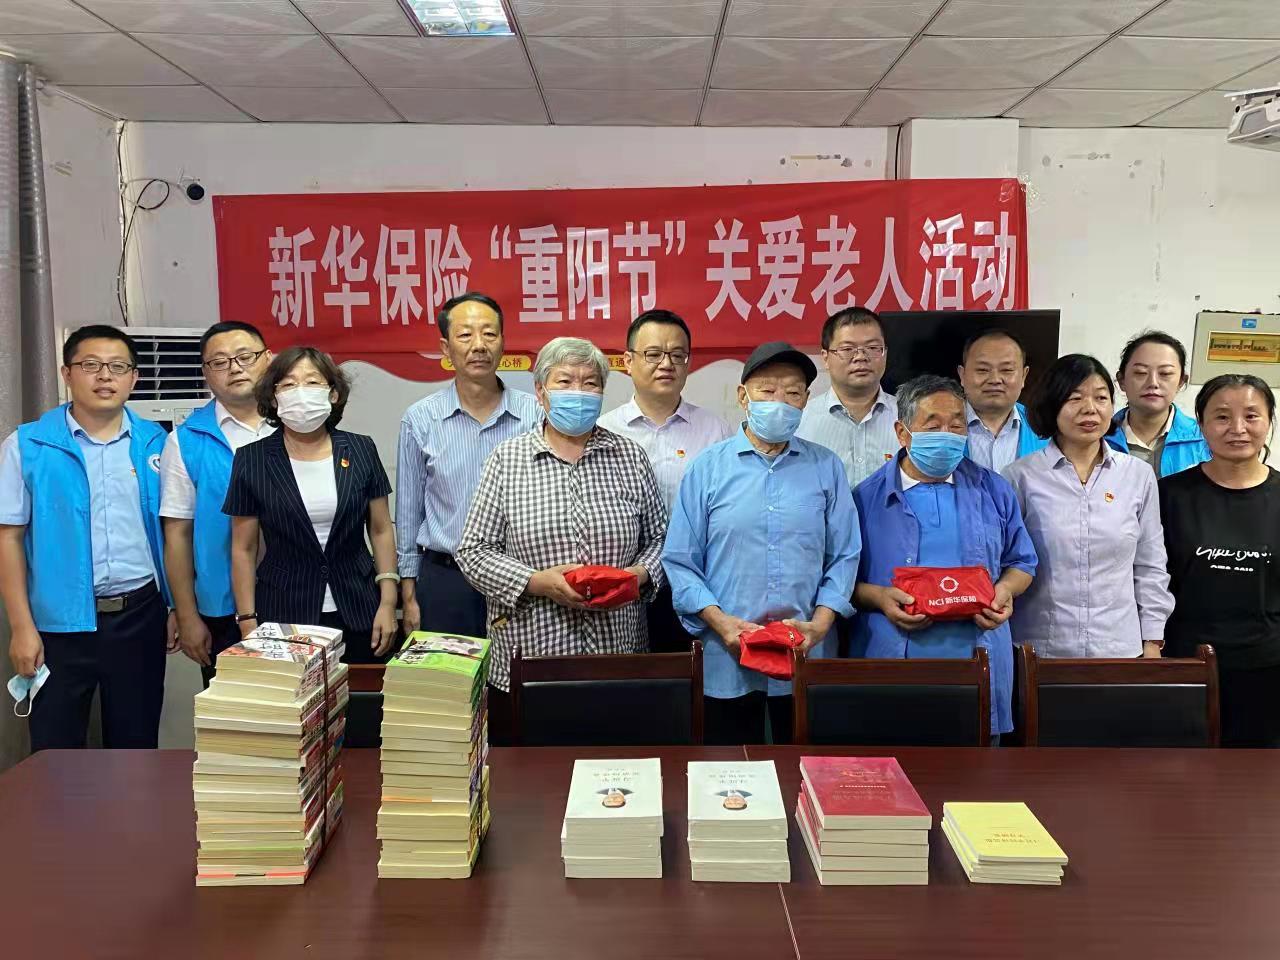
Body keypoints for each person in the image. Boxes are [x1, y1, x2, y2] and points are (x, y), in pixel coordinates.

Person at [456, 337, 667, 743]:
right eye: (565, 381)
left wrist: (637, 576)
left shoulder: (630, 457)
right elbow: (473, 551)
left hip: (618, 654)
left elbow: (660, 539)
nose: (578, 392)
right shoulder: (507, 460)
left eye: (590, 383)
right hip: (530, 656)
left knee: (615, 770)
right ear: (541, 391)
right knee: (532, 776)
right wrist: (536, 582)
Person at [663, 342, 860, 746]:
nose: (780, 402)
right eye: (767, 391)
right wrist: (720, 622)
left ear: (806, 400)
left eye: (792, 392)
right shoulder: (708, 468)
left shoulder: (826, 467)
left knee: (805, 770)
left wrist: (821, 625)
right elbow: (680, 561)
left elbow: (844, 555)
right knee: (729, 774)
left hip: (807, 653)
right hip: (727, 659)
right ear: (743, 396)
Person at [0, 325, 175, 750]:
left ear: (134, 378)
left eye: (118, 367)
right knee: (55, 751)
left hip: (139, 616)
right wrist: (21, 628)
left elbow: (172, 533)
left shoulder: (158, 441)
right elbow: (9, 539)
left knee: (136, 747)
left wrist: (173, 607)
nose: (105, 376)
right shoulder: (28, 444)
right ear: (66, 373)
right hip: (57, 624)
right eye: (91, 365)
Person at [852, 374, 1037, 743]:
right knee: (894, 765)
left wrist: (1005, 592)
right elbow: (841, 581)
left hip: (979, 655)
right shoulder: (865, 498)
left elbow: (1023, 562)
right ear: (902, 433)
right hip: (892, 658)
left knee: (980, 771)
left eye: (956, 425)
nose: (947, 435)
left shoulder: (994, 490)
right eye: (933, 425)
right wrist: (880, 597)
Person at [223, 346, 398, 664]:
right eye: (289, 384)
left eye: (312, 382)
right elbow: (243, 548)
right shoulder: (251, 460)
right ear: (274, 397)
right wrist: (247, 619)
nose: (301, 392)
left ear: (333, 394)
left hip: (360, 608)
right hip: (284, 612)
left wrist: (388, 601)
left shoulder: (361, 449)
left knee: (363, 693)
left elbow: (381, 529)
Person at [1003, 355, 1172, 659]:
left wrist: (1152, 638)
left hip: (1119, 648)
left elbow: (1150, 563)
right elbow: (1009, 561)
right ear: (1052, 405)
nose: (1090, 408)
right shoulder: (1020, 477)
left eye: (1101, 398)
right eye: (1075, 398)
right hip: (1039, 648)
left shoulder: (1137, 475)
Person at [395, 292, 541, 640]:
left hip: (519, 576)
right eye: (465, 335)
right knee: (449, 674)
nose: (479, 345)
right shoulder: (421, 419)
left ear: (503, 343)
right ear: (446, 348)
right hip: (447, 580)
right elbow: (409, 512)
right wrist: (409, 594)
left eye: (489, 334)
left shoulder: (535, 414)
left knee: (516, 673)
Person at [598, 308, 732, 653]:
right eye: (653, 354)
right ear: (628, 362)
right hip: (627, 582)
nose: (666, 364)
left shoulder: (715, 430)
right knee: (637, 675)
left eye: (677, 355)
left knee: (697, 675)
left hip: (702, 582)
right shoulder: (604, 431)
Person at [1160, 374, 1280, 747]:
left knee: (1257, 775)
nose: (1238, 428)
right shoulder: (1169, 495)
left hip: (1268, 668)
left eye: (1252, 415)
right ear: (1201, 424)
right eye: (1223, 417)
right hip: (1186, 664)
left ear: (1269, 422)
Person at [160, 321, 274, 686]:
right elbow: (177, 535)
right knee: (234, 712)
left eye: (245, 356)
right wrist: (187, 614)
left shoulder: (299, 426)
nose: (235, 368)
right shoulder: (186, 441)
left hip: (299, 597)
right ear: (206, 373)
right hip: (222, 608)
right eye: (220, 362)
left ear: (268, 359)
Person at [797, 306, 899, 487]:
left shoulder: (909, 417)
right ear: (825, 358)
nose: (861, 357)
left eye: (873, 348)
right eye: (847, 349)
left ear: (885, 353)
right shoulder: (801, 421)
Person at [1106, 330, 1210, 476]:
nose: (1153, 383)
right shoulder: (1099, 438)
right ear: (1122, 380)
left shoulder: (1206, 438)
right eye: (1140, 373)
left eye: (1165, 373)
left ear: (1181, 382)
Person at [958, 329, 1048, 473]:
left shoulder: (1045, 427)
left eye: (1007, 370)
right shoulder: (935, 427)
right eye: (982, 370)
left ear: (1024, 376)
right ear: (962, 375)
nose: (995, 380)